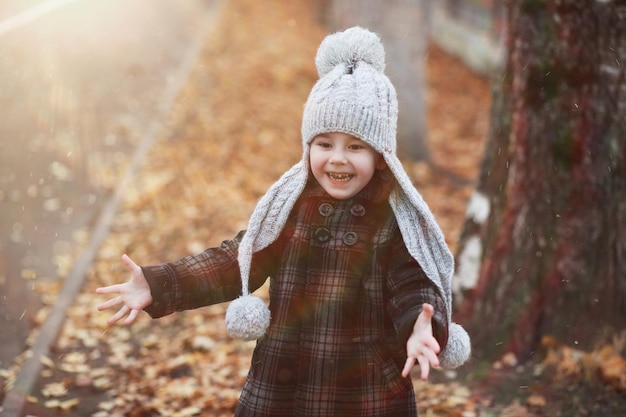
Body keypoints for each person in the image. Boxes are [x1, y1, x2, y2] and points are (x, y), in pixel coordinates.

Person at [97, 26, 470, 417]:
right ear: (308, 148)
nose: (338, 158)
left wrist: (420, 329)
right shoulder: (290, 209)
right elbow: (236, 261)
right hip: (282, 389)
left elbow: (413, 286)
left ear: (380, 157)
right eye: (324, 144)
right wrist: (160, 283)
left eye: (355, 146)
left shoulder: (392, 222)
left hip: (364, 394)